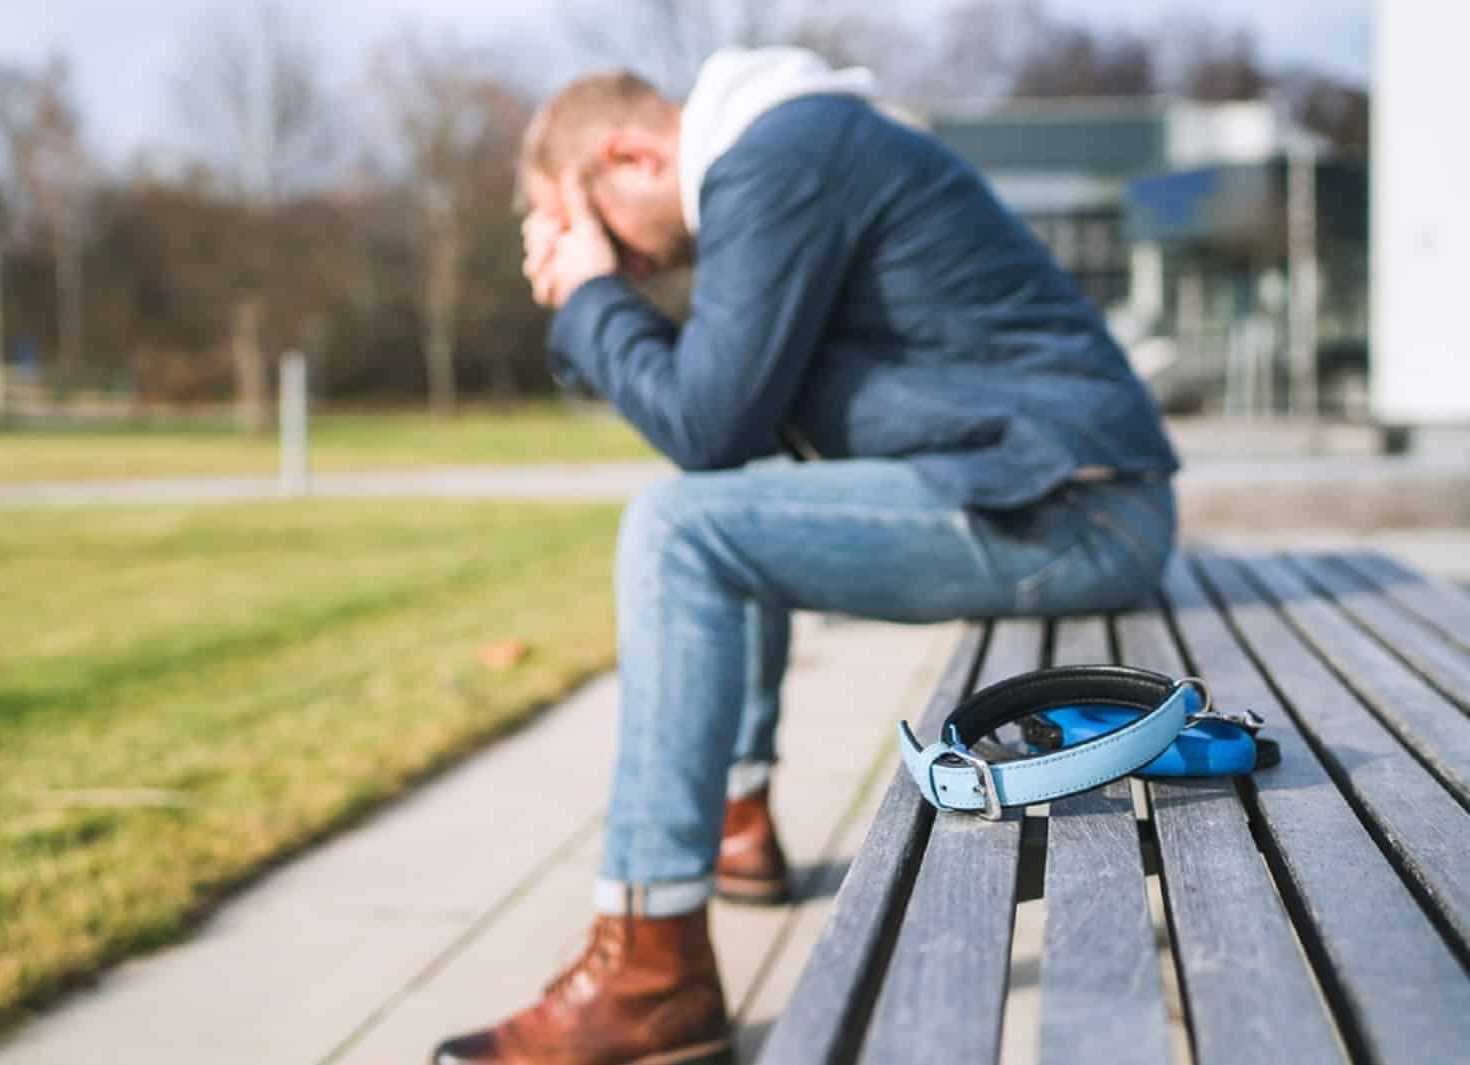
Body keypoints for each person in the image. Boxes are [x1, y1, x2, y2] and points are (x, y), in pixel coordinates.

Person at [431, 46, 1180, 1065]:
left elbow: (703, 422)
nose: (641, 265)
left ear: (626, 155)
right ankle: (733, 819)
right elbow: (732, 428)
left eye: (598, 226)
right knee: (717, 510)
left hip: (1074, 507)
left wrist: (592, 295)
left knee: (678, 527)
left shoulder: (777, 158)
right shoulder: (795, 148)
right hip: (1060, 491)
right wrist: (603, 294)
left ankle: (650, 969)